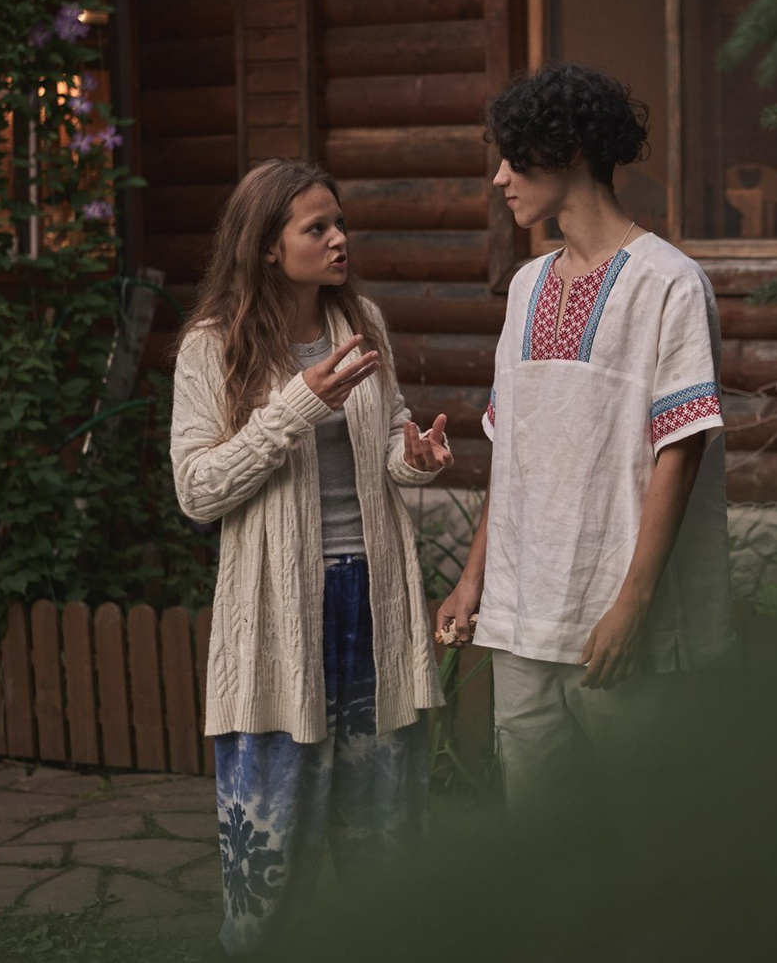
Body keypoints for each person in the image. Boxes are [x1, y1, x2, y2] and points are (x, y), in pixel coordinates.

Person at [436, 63, 734, 822]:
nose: (500, 178)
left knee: (652, 838)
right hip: (521, 618)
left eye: (514, 157)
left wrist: (633, 605)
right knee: (542, 841)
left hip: (616, 624)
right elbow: (514, 450)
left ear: (568, 150)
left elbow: (682, 450)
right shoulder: (526, 286)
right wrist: (474, 580)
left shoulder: (669, 283)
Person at [170, 158, 454, 955]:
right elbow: (197, 489)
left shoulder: (360, 321)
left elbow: (388, 431)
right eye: (316, 227)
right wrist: (298, 404)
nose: (339, 239)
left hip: (373, 603)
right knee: (268, 871)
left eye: (340, 223)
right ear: (268, 244)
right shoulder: (212, 346)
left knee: (387, 851)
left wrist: (414, 457)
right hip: (276, 615)